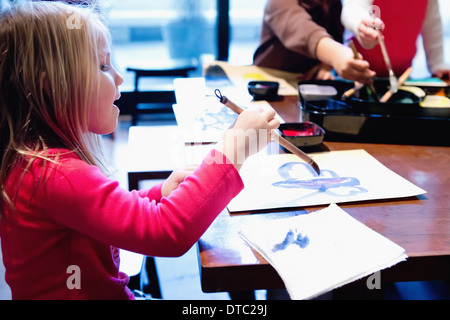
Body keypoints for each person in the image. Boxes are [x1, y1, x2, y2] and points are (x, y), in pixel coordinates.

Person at [0, 1, 280, 300]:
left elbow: (107, 214)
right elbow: (166, 233)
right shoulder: (57, 175)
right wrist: (234, 145)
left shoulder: (37, 164)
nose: (119, 77)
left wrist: (158, 195)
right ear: (52, 88)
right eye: (103, 66)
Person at [253, 0, 376, 83]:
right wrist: (336, 55)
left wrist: (325, 66)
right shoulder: (278, 3)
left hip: (306, 81)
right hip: (270, 79)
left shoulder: (332, 3)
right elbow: (300, 29)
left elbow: (334, 33)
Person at [341, 0, 450, 79]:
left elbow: (432, 25)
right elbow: (352, 7)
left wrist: (437, 64)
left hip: (402, 75)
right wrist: (360, 23)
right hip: (358, 72)